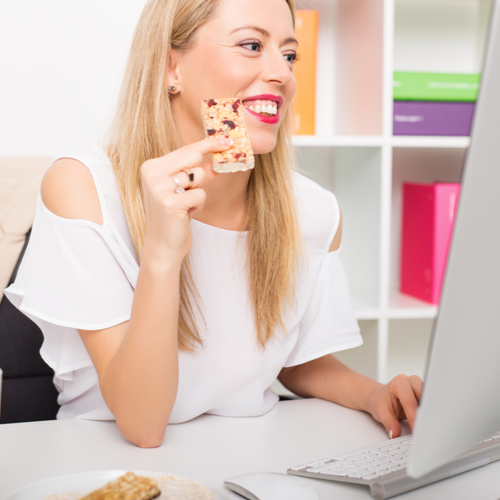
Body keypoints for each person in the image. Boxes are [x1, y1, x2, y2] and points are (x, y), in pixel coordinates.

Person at [4, 0, 422, 448]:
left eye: (288, 54)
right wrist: (162, 255)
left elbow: (295, 362)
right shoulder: (83, 188)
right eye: (250, 45)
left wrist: (376, 395)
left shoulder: (314, 212)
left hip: (245, 454)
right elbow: (143, 425)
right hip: (105, 461)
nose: (282, 73)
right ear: (171, 68)